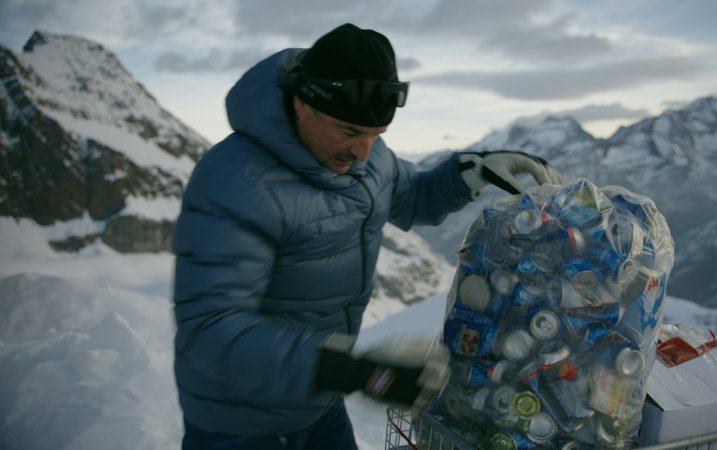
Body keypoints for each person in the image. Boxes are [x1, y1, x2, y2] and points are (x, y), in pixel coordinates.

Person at [172, 23, 563, 450]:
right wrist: (351, 369)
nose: (362, 152)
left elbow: (411, 197)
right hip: (239, 420)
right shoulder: (234, 182)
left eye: (376, 136)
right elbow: (212, 330)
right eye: (349, 132)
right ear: (303, 103)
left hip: (318, 399)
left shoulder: (368, 156)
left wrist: (470, 170)